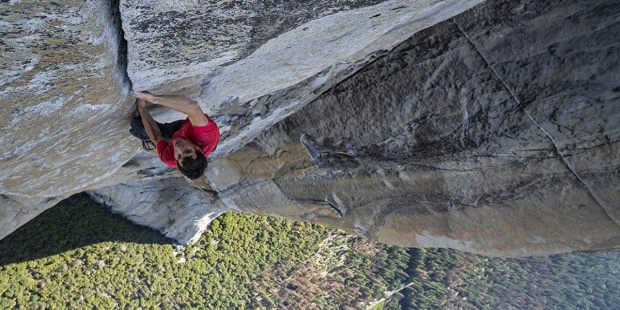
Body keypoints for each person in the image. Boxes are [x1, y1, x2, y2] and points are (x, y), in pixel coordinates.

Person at [130, 91, 220, 179]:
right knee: (194, 118)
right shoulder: (205, 136)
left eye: (179, 156)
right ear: (197, 149)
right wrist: (153, 99)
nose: (179, 148)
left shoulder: (169, 159)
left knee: (140, 127)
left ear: (176, 161)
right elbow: (194, 108)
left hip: (181, 136)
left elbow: (156, 137)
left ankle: (154, 146)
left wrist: (142, 108)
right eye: (188, 151)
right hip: (189, 131)